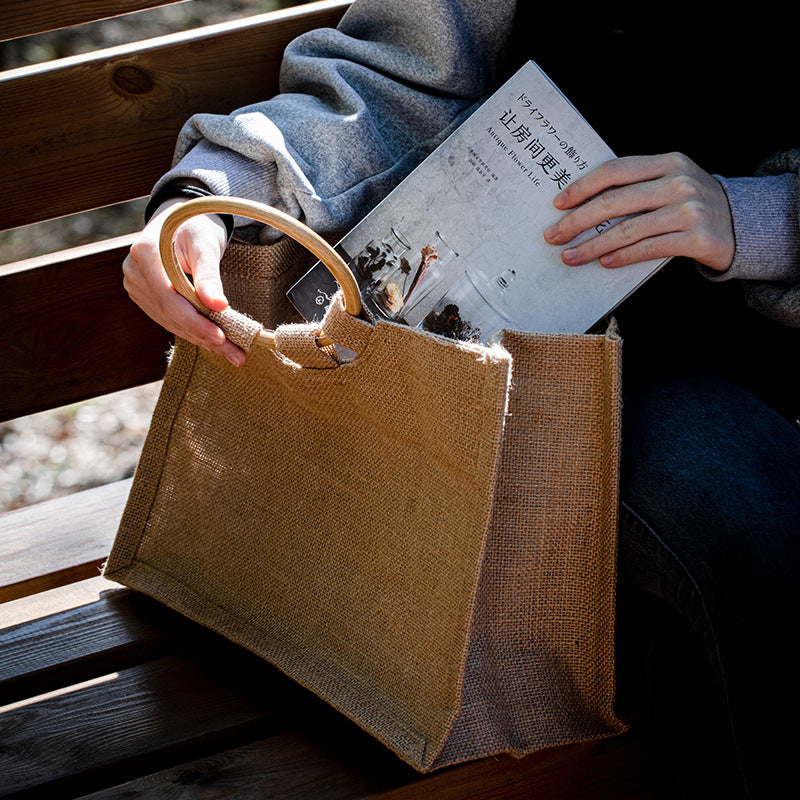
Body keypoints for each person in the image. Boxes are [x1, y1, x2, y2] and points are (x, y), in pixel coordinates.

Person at [122, 1, 799, 796]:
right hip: (514, 371)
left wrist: (754, 219)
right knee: (741, 515)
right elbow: (394, 74)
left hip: (749, 348)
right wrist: (213, 195)